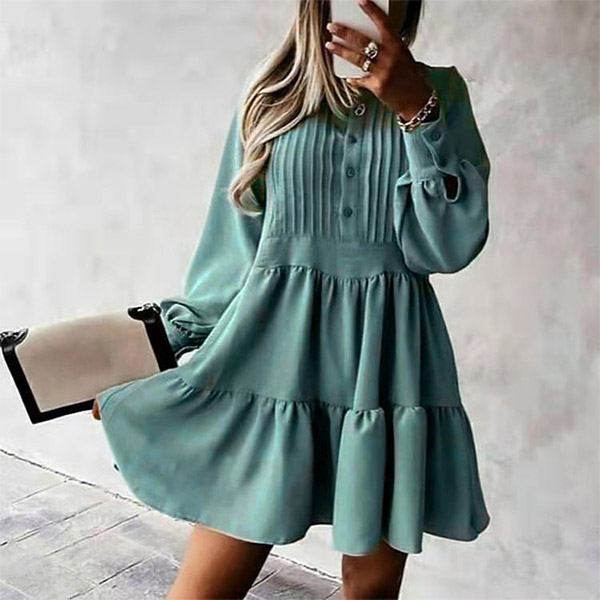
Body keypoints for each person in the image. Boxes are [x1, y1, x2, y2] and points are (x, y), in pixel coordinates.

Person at [93, 0, 491, 597]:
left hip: (387, 366)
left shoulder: (441, 93)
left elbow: (446, 247)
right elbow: (231, 257)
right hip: (270, 362)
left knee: (370, 590)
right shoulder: (270, 96)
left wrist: (418, 112)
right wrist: (161, 355)